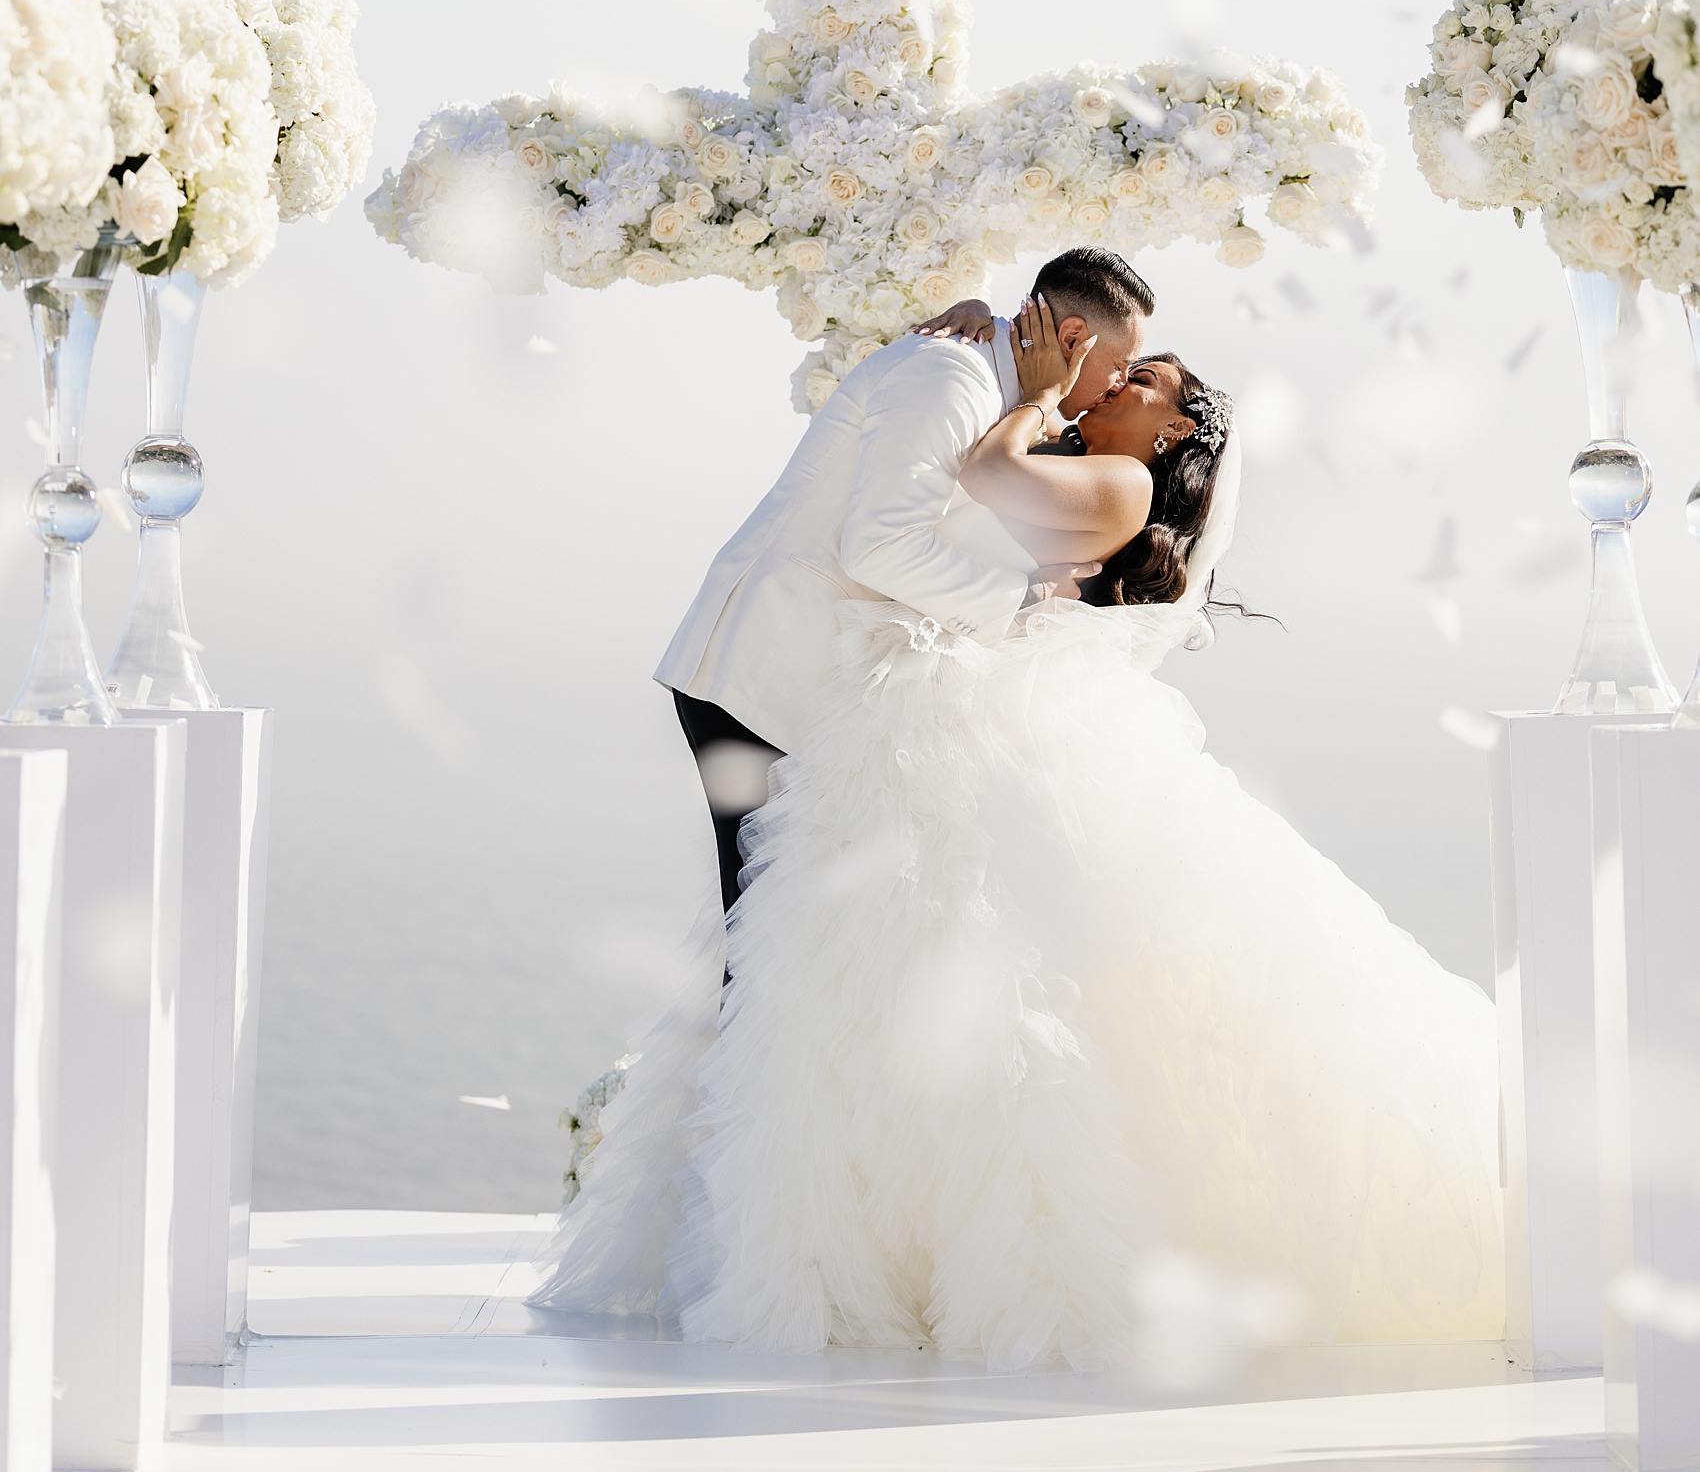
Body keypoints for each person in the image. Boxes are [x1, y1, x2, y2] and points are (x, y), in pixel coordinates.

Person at [533, 302, 1504, 1362]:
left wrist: (1033, 393)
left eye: (1143, 384)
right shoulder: (1080, 449)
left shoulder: (1121, 481)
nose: (1115, 385)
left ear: (1176, 433)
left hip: (969, 723)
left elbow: (990, 477)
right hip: (929, 718)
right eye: (1120, 369)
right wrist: (987, 336)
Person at [657, 246, 1156, 914]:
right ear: (1072, 338)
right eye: (1118, 362)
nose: (1119, 382)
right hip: (761, 674)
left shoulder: (993, 392)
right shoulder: (952, 378)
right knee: (764, 936)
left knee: (789, 934)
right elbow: (880, 546)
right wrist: (1027, 600)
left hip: (806, 687)